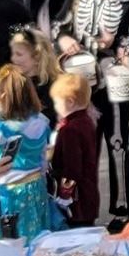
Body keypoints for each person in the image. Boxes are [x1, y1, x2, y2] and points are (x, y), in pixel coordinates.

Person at [57, 0, 129, 227]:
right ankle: (79, 207)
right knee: (81, 144)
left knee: (118, 142)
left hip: (117, 80)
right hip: (83, 82)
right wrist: (64, 40)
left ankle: (121, 209)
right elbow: (59, 26)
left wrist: (120, 47)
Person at [0, 67, 59, 242]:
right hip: (37, 187)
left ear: (2, 97)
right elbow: (44, 158)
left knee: (14, 242)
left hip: (11, 194)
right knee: (39, 237)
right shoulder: (41, 122)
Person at [49, 73, 100, 227]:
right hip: (89, 195)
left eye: (57, 103)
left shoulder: (70, 130)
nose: (55, 107)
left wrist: (65, 195)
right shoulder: (86, 122)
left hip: (76, 200)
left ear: (70, 102)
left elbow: (72, 168)